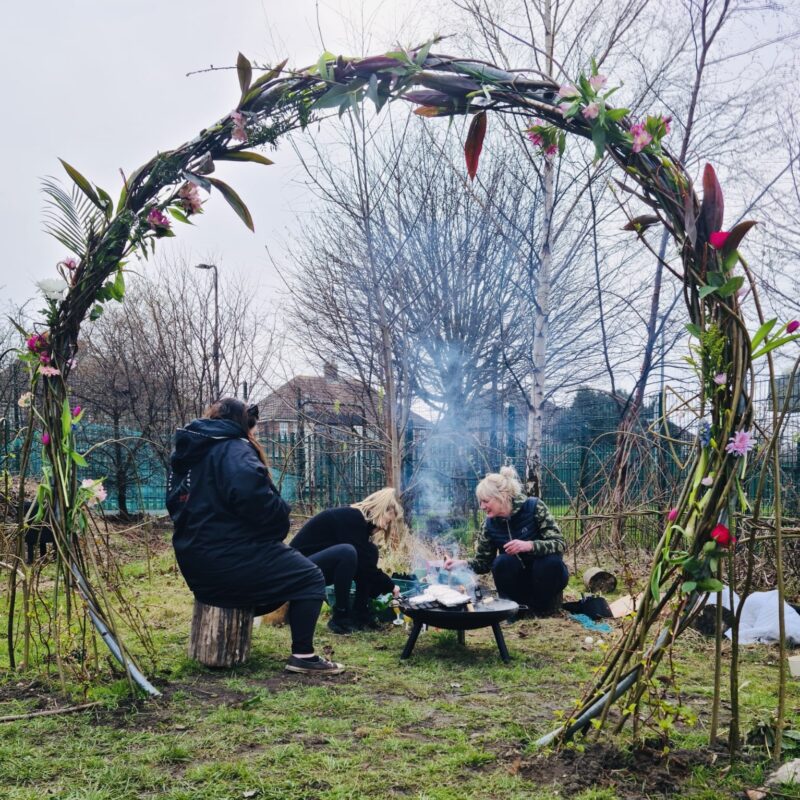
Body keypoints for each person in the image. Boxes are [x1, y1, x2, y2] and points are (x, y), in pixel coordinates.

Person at [166, 397, 344, 675]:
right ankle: (303, 656)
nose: (256, 433)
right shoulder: (234, 449)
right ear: (245, 425)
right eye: (255, 428)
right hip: (227, 560)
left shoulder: (192, 453)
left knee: (284, 571)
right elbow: (254, 497)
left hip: (196, 563)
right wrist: (278, 520)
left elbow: (178, 505)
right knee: (309, 576)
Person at [444, 466, 568, 616]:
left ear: (501, 496)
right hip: (518, 583)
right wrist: (462, 564)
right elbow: (484, 563)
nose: (482, 507)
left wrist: (529, 545)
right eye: (480, 502)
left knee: (549, 562)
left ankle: (542, 610)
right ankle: (513, 610)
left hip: (545, 580)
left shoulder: (534, 507)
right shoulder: (489, 525)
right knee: (502, 562)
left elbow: (559, 543)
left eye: (485, 501)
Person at [290, 488, 403, 633]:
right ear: (382, 510)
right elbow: (364, 565)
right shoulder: (352, 518)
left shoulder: (357, 522)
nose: (384, 527)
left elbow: (364, 565)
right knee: (347, 552)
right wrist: (390, 586)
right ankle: (341, 616)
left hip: (312, 567)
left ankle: (360, 614)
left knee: (370, 550)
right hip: (296, 571)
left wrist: (381, 586)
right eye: (387, 522)